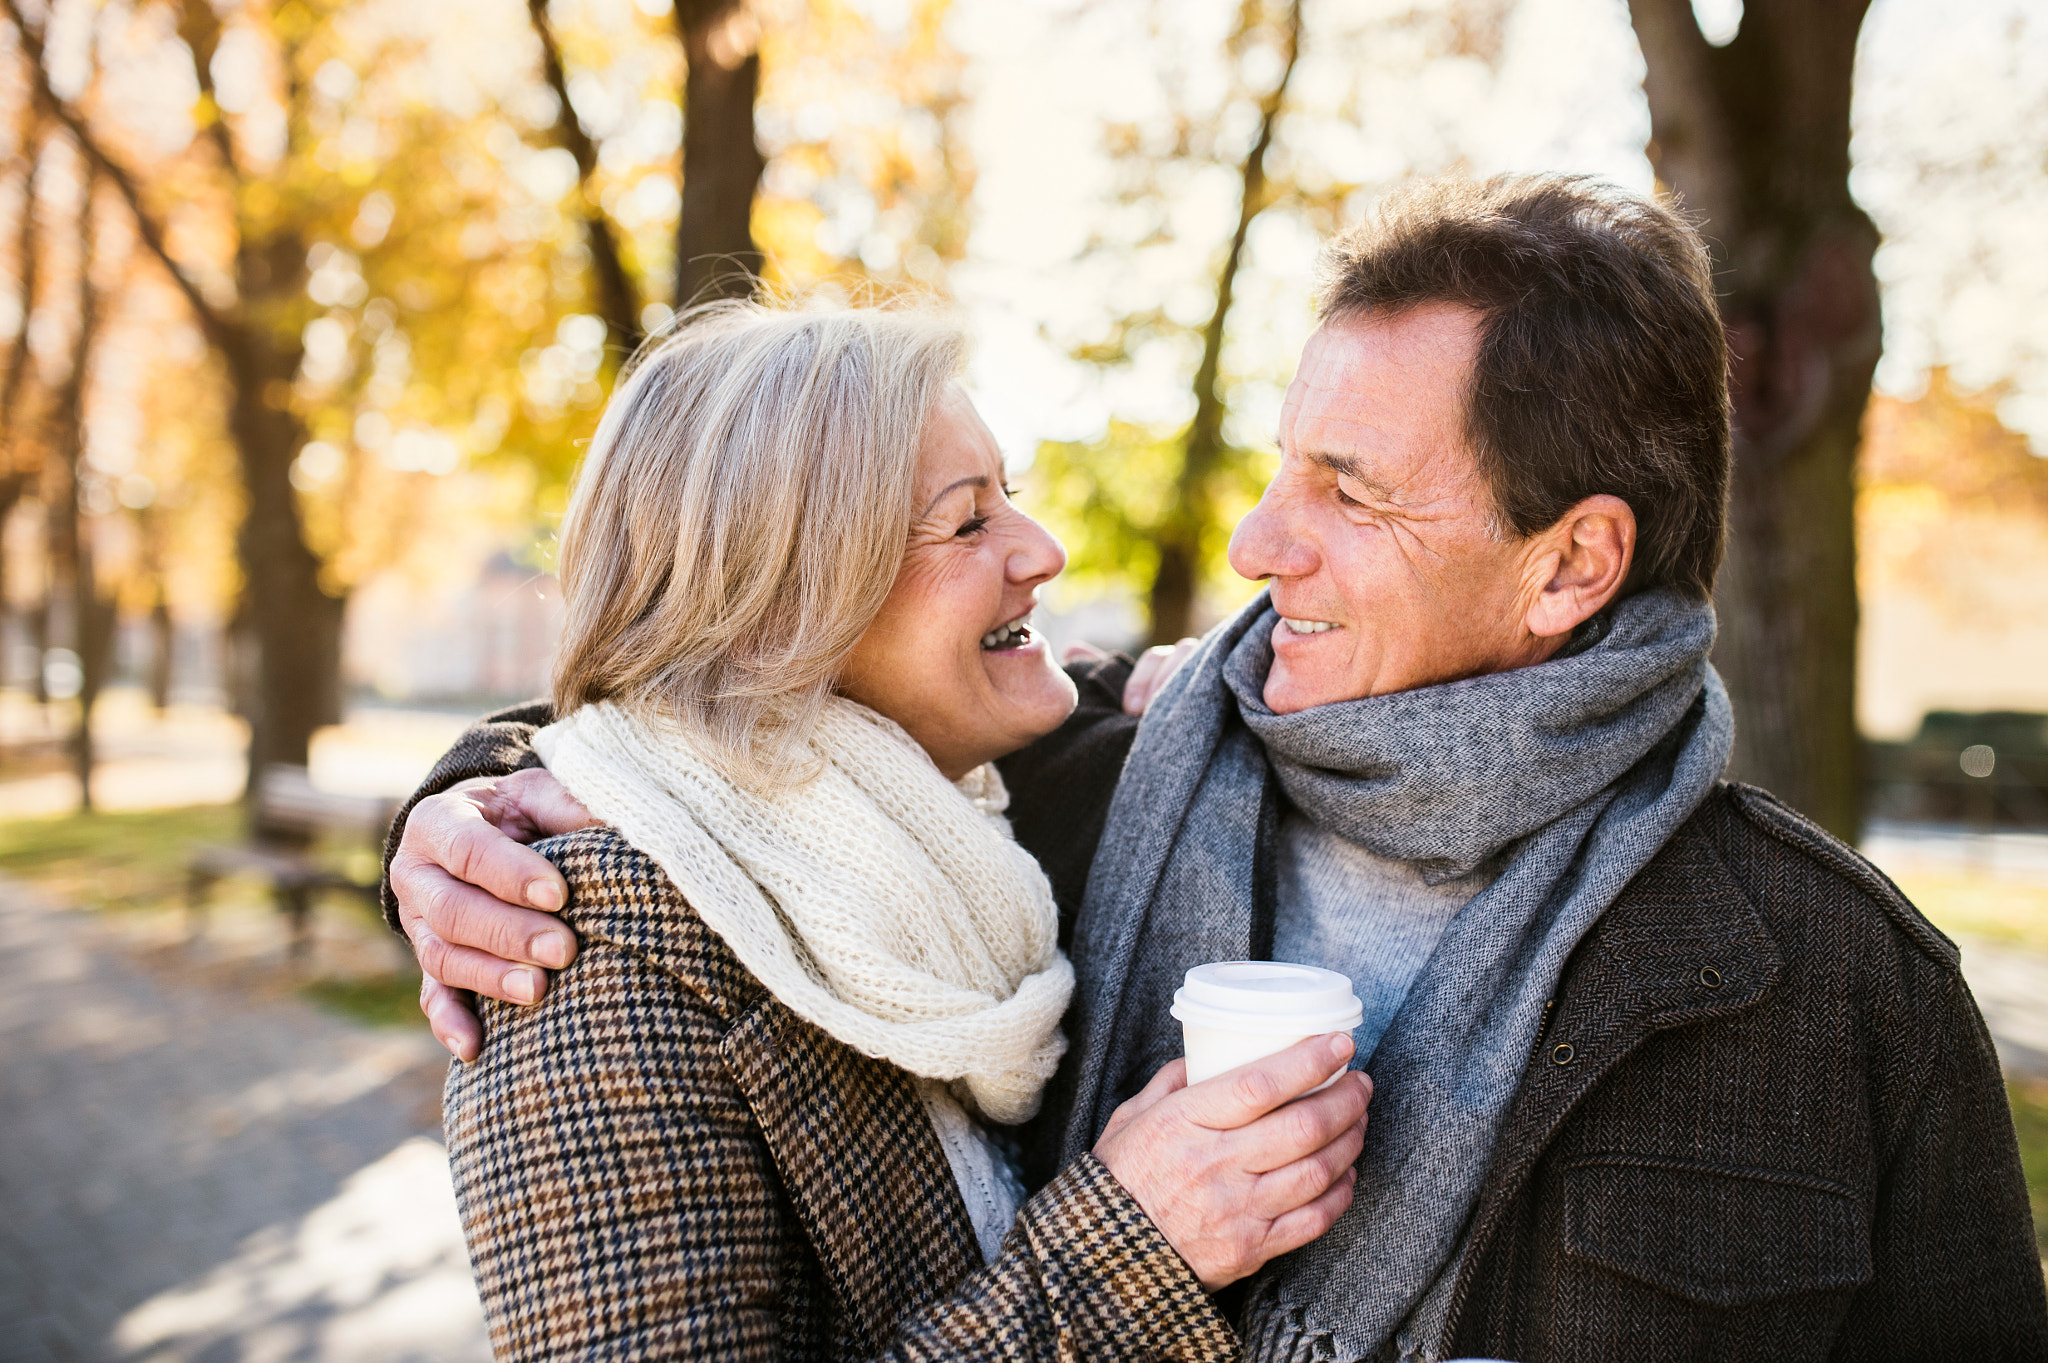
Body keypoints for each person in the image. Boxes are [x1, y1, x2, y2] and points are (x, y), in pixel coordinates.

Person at [388, 176, 2048, 1362]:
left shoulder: (1836, 978)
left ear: (1566, 567)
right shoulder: (1104, 784)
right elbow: (695, 757)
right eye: (1278, 469)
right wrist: (453, 810)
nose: (1258, 547)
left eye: (1349, 489)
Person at [423, 301, 1375, 1361]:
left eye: (1010, 499)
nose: (1044, 551)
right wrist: (1133, 1247)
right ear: (775, 608)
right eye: (968, 522)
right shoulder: (594, 957)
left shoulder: (958, 842)